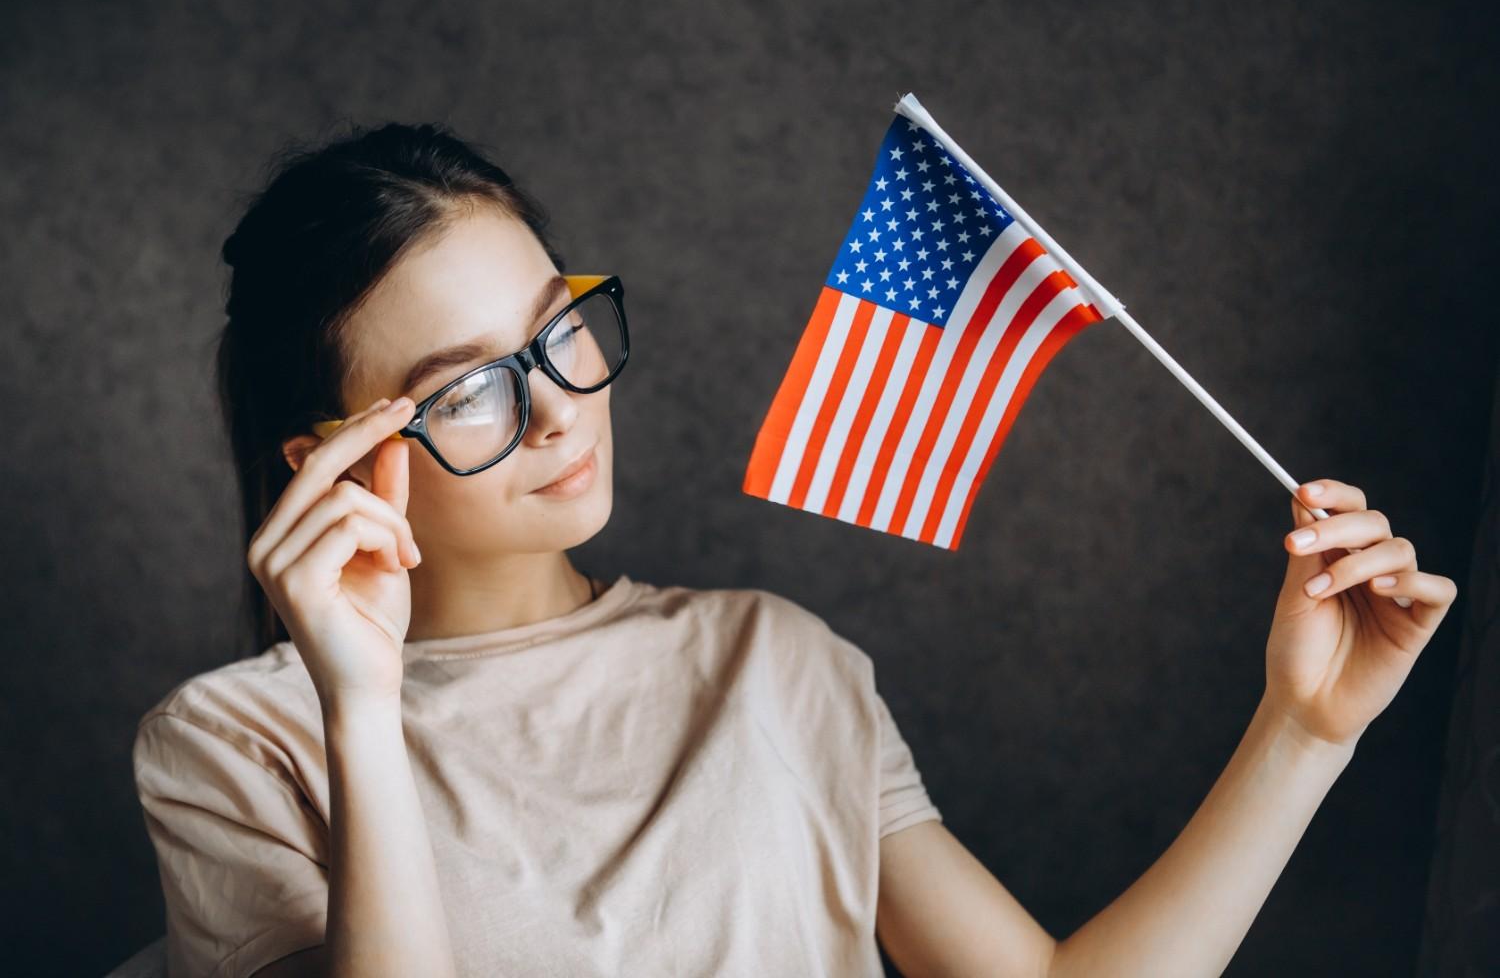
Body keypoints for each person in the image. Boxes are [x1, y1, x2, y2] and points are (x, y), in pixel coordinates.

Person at [131, 121, 1458, 978]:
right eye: (466, 393)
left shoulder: (776, 661)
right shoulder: (237, 747)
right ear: (331, 464)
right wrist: (360, 712)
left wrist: (1306, 731)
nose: (557, 411)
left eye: (559, 329)